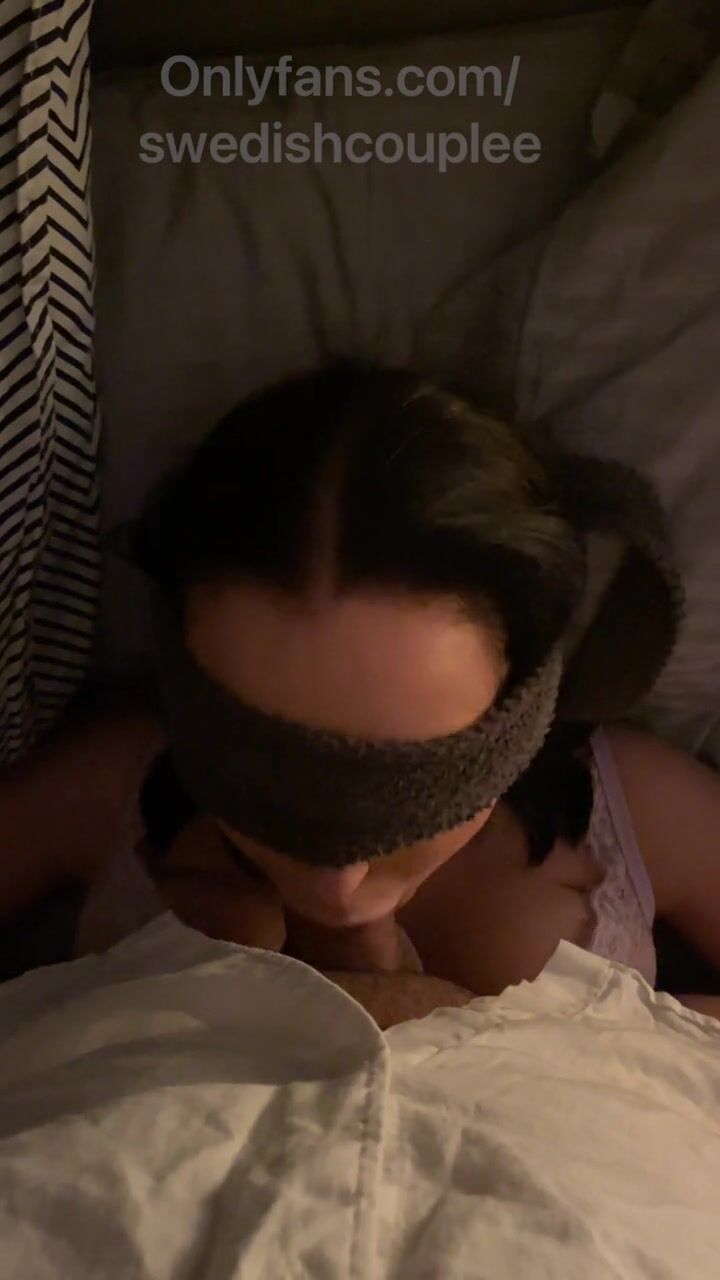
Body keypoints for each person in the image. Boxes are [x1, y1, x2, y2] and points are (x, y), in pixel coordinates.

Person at [1, 365, 718, 1023]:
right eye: (262, 776)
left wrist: (640, 1046)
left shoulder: (641, 808)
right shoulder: (109, 785)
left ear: (521, 697)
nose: (337, 884)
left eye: (414, 788)